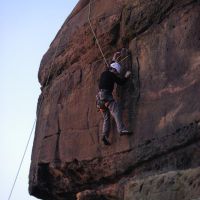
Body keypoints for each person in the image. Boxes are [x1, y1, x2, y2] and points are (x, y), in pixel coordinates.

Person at [98, 51, 132, 145]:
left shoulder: (105, 72)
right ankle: (121, 129)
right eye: (116, 72)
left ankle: (104, 135)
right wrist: (126, 76)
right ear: (114, 70)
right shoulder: (112, 74)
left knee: (106, 117)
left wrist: (114, 57)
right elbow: (121, 83)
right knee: (116, 110)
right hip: (106, 96)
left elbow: (111, 66)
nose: (117, 73)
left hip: (99, 99)